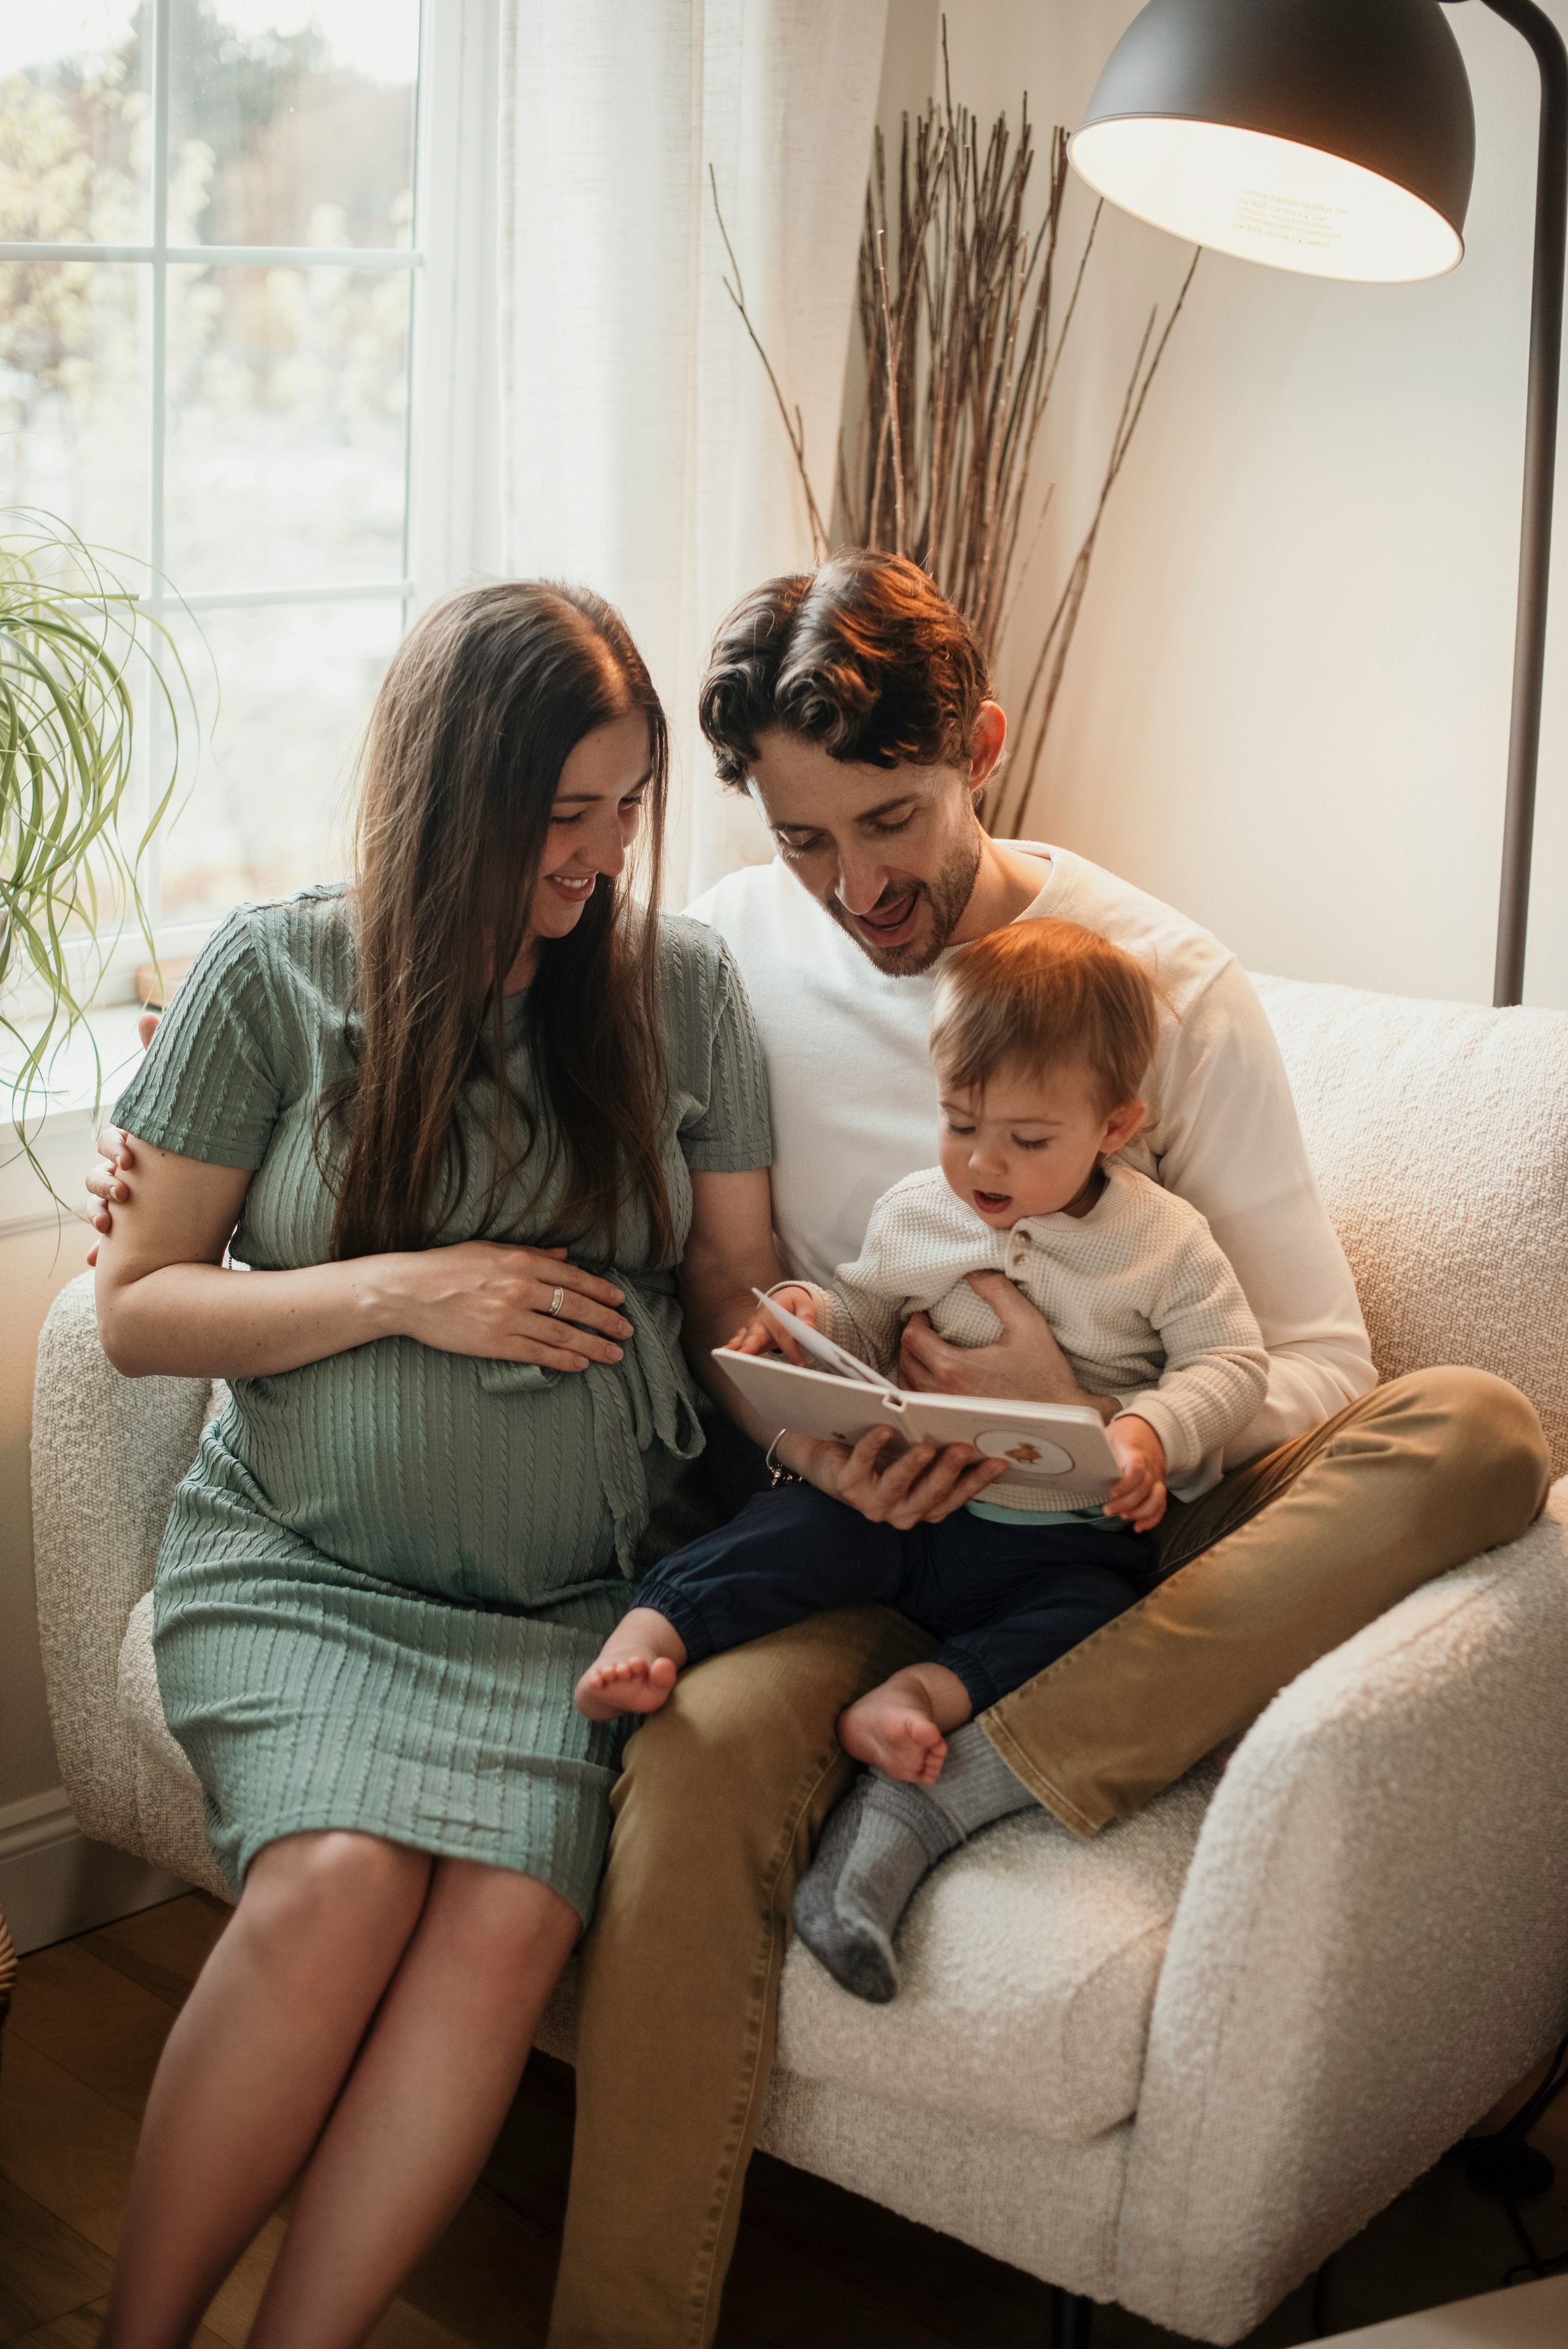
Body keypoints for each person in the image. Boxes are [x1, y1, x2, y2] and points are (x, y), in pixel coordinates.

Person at [91, 551, 1551, 2349]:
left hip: (1097, 1515)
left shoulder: (1149, 988)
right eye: (800, 839)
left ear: (981, 752)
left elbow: (1313, 1361)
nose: (856, 887)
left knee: (1476, 1428)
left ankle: (991, 1754)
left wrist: (1100, 1427)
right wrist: (813, 1404)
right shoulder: (719, 952)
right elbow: (729, 1279)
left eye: (891, 821)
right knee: (683, 1762)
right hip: (833, 1524)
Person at [86, 581, 787, 2349]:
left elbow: (733, 1281)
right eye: (564, 813)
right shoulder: (273, 974)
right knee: (335, 1884)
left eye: (627, 807)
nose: (603, 855)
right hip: (301, 1567)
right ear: (452, 793)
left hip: (565, 1611)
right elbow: (139, 1309)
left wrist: (835, 1386)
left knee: (502, 1922)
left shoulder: (680, 991)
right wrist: (411, 1288)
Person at [576, 917, 1270, 2002]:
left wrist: (1146, 1432)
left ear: (1116, 1125)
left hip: (1059, 1541)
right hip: (904, 1503)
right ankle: (650, 1632)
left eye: (1028, 1139)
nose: (983, 1163)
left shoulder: (1162, 1241)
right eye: (959, 1122)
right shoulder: (920, 1211)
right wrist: (810, 1313)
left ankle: (916, 1698)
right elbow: (864, 1308)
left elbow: (1231, 1361)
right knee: (784, 1528)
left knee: (1093, 1621)